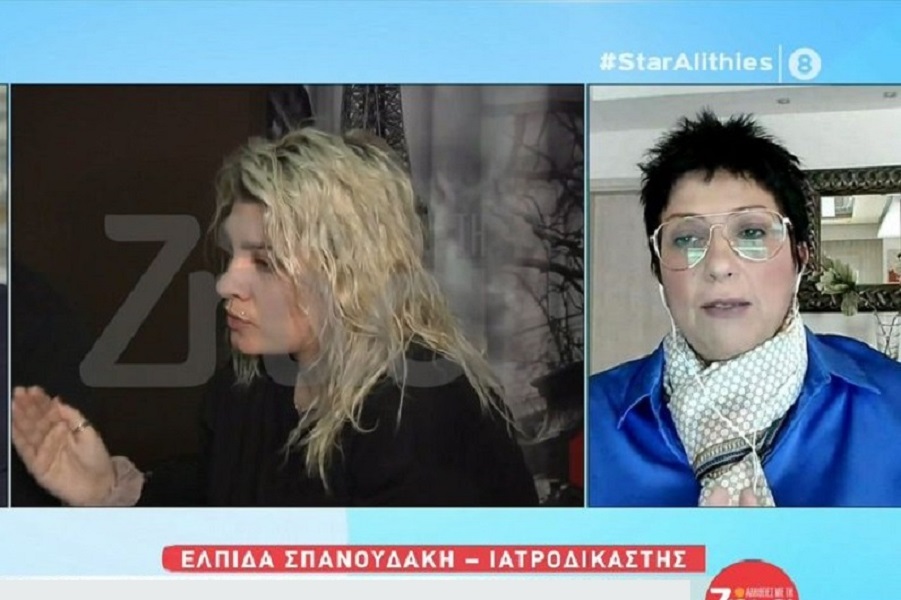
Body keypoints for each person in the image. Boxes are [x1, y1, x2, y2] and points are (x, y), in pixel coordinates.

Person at [11, 127, 539, 507]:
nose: (225, 284)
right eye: (233, 256)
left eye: (265, 262)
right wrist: (107, 490)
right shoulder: (246, 390)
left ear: (349, 271)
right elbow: (214, 515)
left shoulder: (421, 413)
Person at [588, 110, 901, 508]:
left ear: (801, 257)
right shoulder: (590, 422)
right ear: (658, 270)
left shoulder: (892, 404)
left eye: (752, 232)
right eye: (687, 238)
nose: (719, 264)